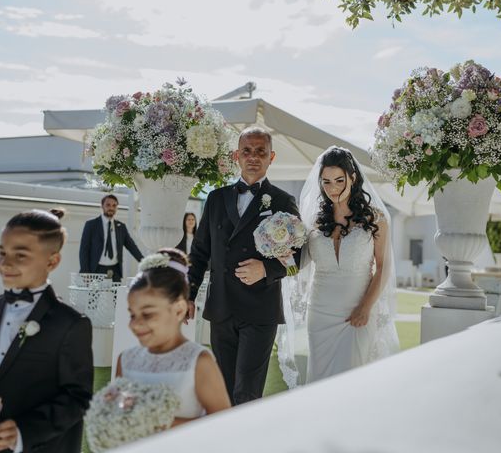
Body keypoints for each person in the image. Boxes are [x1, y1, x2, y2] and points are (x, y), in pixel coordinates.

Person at [188, 126, 301, 405]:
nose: (253, 157)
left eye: (260, 151)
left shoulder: (283, 201)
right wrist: (188, 294)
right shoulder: (215, 199)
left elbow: (299, 258)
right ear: (236, 156)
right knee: (224, 391)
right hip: (221, 306)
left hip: (260, 310)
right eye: (247, 151)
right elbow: (200, 251)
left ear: (271, 157)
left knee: (246, 393)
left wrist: (266, 269)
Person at [285, 146, 399, 383]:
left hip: (357, 310)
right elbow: (299, 265)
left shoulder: (375, 218)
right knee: (320, 380)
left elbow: (383, 266)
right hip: (319, 314)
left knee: (351, 379)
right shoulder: (315, 222)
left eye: (339, 180)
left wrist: (365, 307)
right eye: (326, 182)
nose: (333, 188)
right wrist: (280, 253)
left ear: (353, 178)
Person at [0, 209, 93, 453]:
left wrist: (23, 432)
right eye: (2, 253)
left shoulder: (71, 324)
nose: (5, 263)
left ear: (52, 261)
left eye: (20, 255)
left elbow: (78, 398)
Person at [116, 248, 231, 423]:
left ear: (178, 310)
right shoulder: (125, 360)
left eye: (148, 314)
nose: (135, 324)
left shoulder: (199, 363)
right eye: (132, 314)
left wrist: (156, 424)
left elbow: (222, 425)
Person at [79, 194, 143, 283]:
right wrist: (85, 272)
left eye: (114, 205)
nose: (111, 208)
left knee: (115, 296)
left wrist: (145, 262)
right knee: (95, 296)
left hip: (115, 270)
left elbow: (131, 246)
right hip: (96, 270)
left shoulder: (121, 227)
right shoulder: (91, 225)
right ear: (102, 206)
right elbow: (84, 249)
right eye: (108, 205)